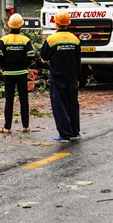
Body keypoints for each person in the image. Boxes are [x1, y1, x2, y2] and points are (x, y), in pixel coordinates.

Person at [40, 12, 82, 142]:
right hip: (72, 77)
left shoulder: (51, 40)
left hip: (57, 77)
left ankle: (64, 134)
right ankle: (75, 132)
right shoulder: (75, 39)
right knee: (73, 104)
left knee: (59, 106)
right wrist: (78, 78)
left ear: (56, 23)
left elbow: (44, 56)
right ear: (68, 23)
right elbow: (78, 60)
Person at [0, 13, 35, 134]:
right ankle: (26, 126)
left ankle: (7, 127)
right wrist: (25, 65)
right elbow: (31, 54)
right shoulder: (25, 40)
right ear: (21, 26)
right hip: (22, 73)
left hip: (9, 74)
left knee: (9, 99)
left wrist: (3, 65)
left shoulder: (4, 40)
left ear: (9, 25)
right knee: (24, 99)